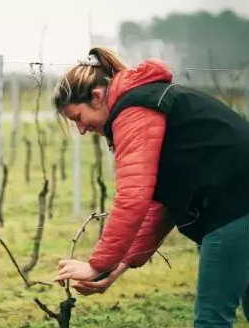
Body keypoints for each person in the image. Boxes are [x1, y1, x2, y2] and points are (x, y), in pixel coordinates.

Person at [52, 46, 249, 328]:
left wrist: (97, 265)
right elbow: (162, 204)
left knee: (211, 320)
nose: (81, 130)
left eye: (77, 118)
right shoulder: (149, 100)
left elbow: (133, 198)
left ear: (96, 97)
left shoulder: (134, 110)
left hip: (233, 208)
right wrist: (118, 267)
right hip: (239, 203)